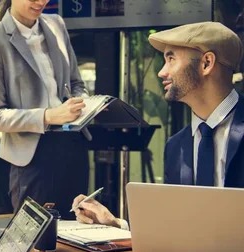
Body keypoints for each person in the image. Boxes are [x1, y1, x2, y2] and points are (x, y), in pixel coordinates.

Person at [73, 21, 244, 229]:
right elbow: (176, 230)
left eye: (171, 59)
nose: (162, 72)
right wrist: (115, 224)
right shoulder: (175, 147)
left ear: (206, 63)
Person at [0, 0, 90, 218]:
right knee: (37, 244)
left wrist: (85, 104)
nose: (41, 1)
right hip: (33, 158)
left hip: (73, 146)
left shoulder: (57, 25)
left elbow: (77, 83)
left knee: (79, 232)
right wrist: (48, 116)